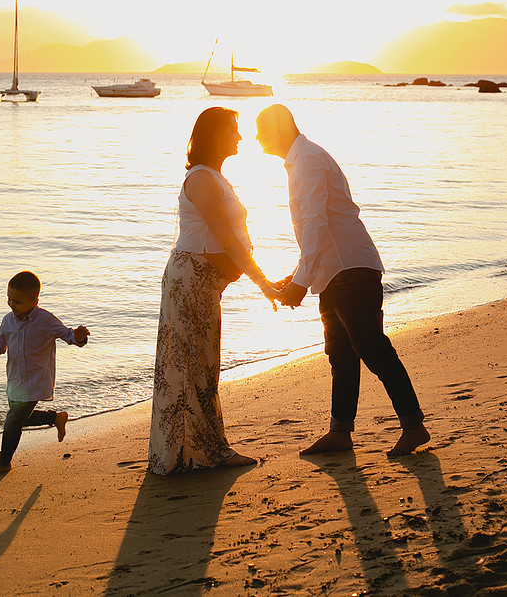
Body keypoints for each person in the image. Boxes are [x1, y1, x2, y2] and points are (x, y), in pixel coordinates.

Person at [255, 104, 430, 457]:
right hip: (336, 272)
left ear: (280, 128)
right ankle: (340, 432)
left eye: (261, 129)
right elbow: (315, 231)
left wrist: (300, 283)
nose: (256, 137)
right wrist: (300, 274)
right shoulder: (302, 160)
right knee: (341, 354)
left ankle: (413, 425)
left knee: (370, 347)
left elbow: (317, 225)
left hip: (350, 270)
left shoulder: (307, 161)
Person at [148, 107, 280, 475]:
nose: (239, 137)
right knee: (192, 365)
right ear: (214, 135)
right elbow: (225, 239)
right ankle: (201, 454)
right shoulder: (203, 178)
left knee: (197, 364)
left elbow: (230, 241)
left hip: (201, 282)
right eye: (233, 130)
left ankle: (187, 453)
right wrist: (263, 282)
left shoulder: (214, 176)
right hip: (191, 282)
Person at [0, 270, 90, 475]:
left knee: (12, 421)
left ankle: (4, 461)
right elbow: (0, 343)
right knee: (20, 419)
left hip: (36, 381)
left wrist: (78, 336)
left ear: (34, 301)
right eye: (9, 299)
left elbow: (68, 335)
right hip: (15, 380)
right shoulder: (8, 320)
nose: (11, 305)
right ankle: (55, 418)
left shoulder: (45, 319)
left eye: (17, 302)